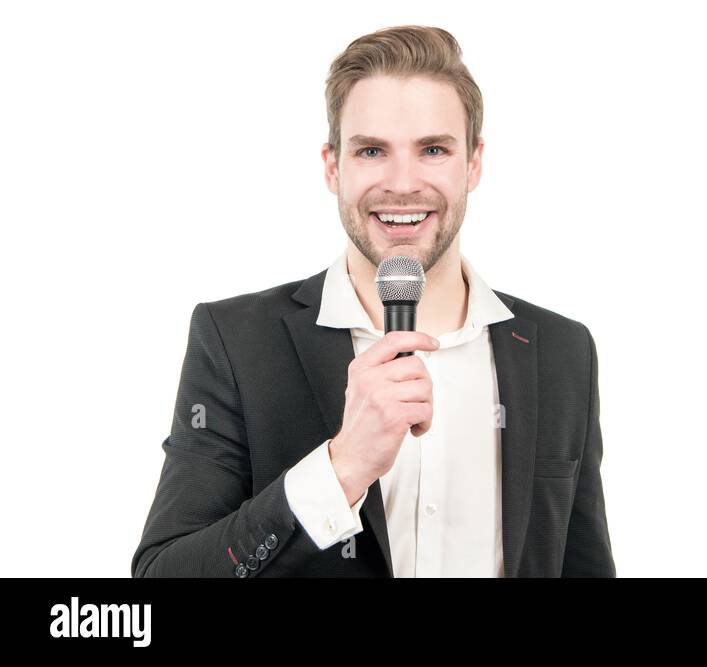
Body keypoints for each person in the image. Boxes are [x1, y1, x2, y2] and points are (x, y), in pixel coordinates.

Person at [131, 25, 614, 577]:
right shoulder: (237, 340)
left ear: (473, 163)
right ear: (333, 166)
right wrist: (342, 468)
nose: (403, 183)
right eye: (371, 151)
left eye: (433, 149)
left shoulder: (561, 350)